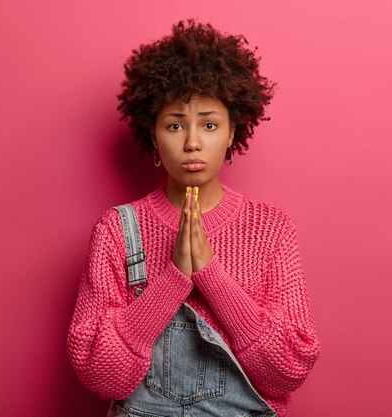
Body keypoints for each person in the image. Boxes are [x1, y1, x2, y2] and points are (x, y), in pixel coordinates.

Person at [67, 19, 320, 417]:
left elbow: (287, 371)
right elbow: (101, 375)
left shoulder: (270, 228)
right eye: (174, 125)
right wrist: (174, 278)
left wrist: (210, 273)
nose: (192, 143)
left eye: (209, 124)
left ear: (233, 131)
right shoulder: (117, 230)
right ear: (153, 134)